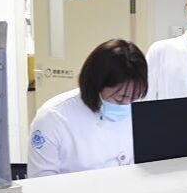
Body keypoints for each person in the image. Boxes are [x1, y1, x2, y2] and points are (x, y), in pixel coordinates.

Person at [27, 39, 148, 178]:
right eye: (119, 98)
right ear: (96, 84)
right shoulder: (52, 118)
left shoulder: (139, 111)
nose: (126, 104)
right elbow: (40, 182)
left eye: (133, 98)